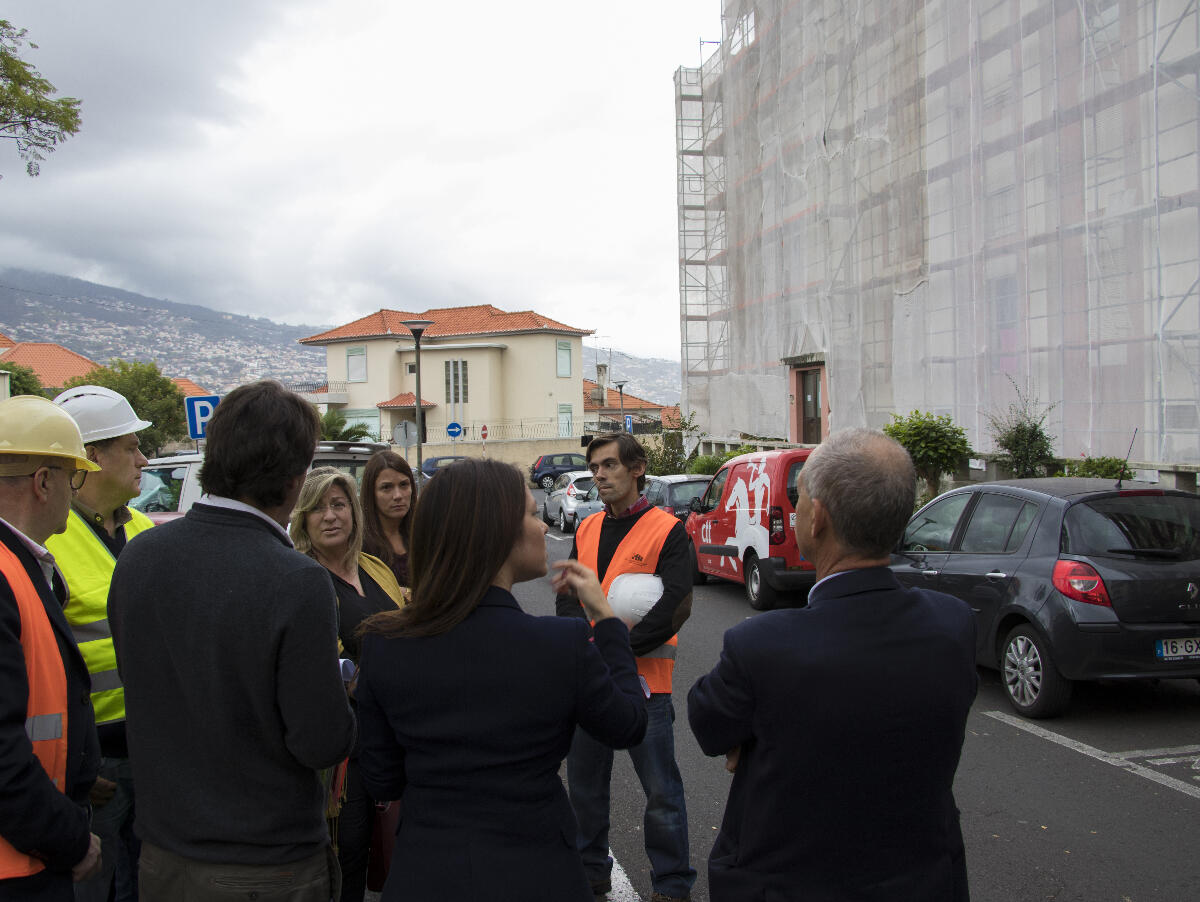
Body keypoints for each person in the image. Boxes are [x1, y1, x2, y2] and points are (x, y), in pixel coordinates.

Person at [688, 428, 978, 902]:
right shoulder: (953, 624)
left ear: (816, 518)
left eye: (800, 498)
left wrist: (757, 736)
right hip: (923, 881)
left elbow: (708, 723)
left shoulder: (761, 646)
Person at [354, 458, 647, 902]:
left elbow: (384, 779)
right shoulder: (559, 644)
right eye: (532, 514)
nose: (542, 528)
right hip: (539, 871)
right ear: (497, 534)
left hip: (426, 871)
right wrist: (604, 617)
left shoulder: (383, 644)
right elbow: (627, 722)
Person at [108, 380, 356, 901]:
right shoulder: (297, 581)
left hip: (162, 855)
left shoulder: (138, 558)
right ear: (296, 479)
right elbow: (321, 741)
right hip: (265, 864)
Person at [557, 432, 697, 902]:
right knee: (586, 790)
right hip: (592, 682)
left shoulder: (668, 530)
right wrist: (582, 648)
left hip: (646, 684)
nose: (599, 475)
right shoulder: (587, 527)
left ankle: (673, 886)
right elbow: (569, 596)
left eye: (610, 465)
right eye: (594, 466)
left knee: (661, 794)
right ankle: (591, 873)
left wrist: (617, 648)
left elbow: (677, 605)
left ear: (637, 469)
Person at [46, 385, 153, 902]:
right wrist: (77, 769)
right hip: (95, 767)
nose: (143, 458)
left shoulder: (149, 531)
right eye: (131, 446)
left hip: (154, 753)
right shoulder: (47, 542)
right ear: (90, 457)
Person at [0, 395, 103, 899]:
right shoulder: (4, 573)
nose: (74, 492)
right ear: (44, 482)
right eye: (73, 477)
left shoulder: (19, 565)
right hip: (18, 864)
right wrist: (68, 839)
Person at [290, 466, 405, 902]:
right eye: (317, 508)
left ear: (354, 512)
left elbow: (405, 625)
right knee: (349, 848)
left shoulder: (374, 567)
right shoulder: (302, 577)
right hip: (346, 747)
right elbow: (322, 662)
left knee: (399, 843)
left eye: (338, 505)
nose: (330, 516)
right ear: (302, 519)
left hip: (395, 731)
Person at [359, 450, 416, 587]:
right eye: (386, 487)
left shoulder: (424, 533)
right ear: (371, 493)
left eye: (404, 485)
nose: (397, 495)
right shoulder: (358, 542)